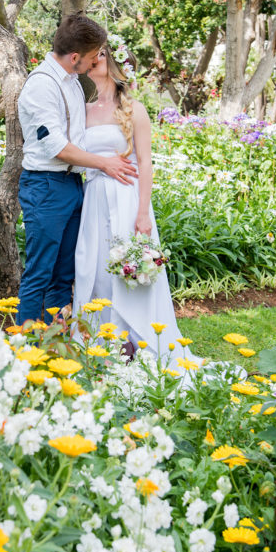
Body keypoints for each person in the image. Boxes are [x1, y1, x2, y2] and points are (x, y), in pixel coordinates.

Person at [73, 44, 197, 364]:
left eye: (99, 55)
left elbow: (145, 163)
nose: (92, 60)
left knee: (128, 269)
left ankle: (137, 347)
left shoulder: (133, 109)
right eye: (90, 56)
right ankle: (102, 345)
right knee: (97, 270)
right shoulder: (84, 109)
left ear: (113, 62)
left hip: (127, 198)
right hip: (94, 199)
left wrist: (143, 213)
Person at [16, 14, 138, 326]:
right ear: (74, 57)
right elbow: (56, 147)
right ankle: (27, 350)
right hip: (45, 186)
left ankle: (56, 347)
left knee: (64, 274)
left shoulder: (71, 84)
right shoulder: (41, 86)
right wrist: (106, 163)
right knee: (40, 271)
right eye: (93, 55)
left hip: (72, 184)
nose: (97, 60)